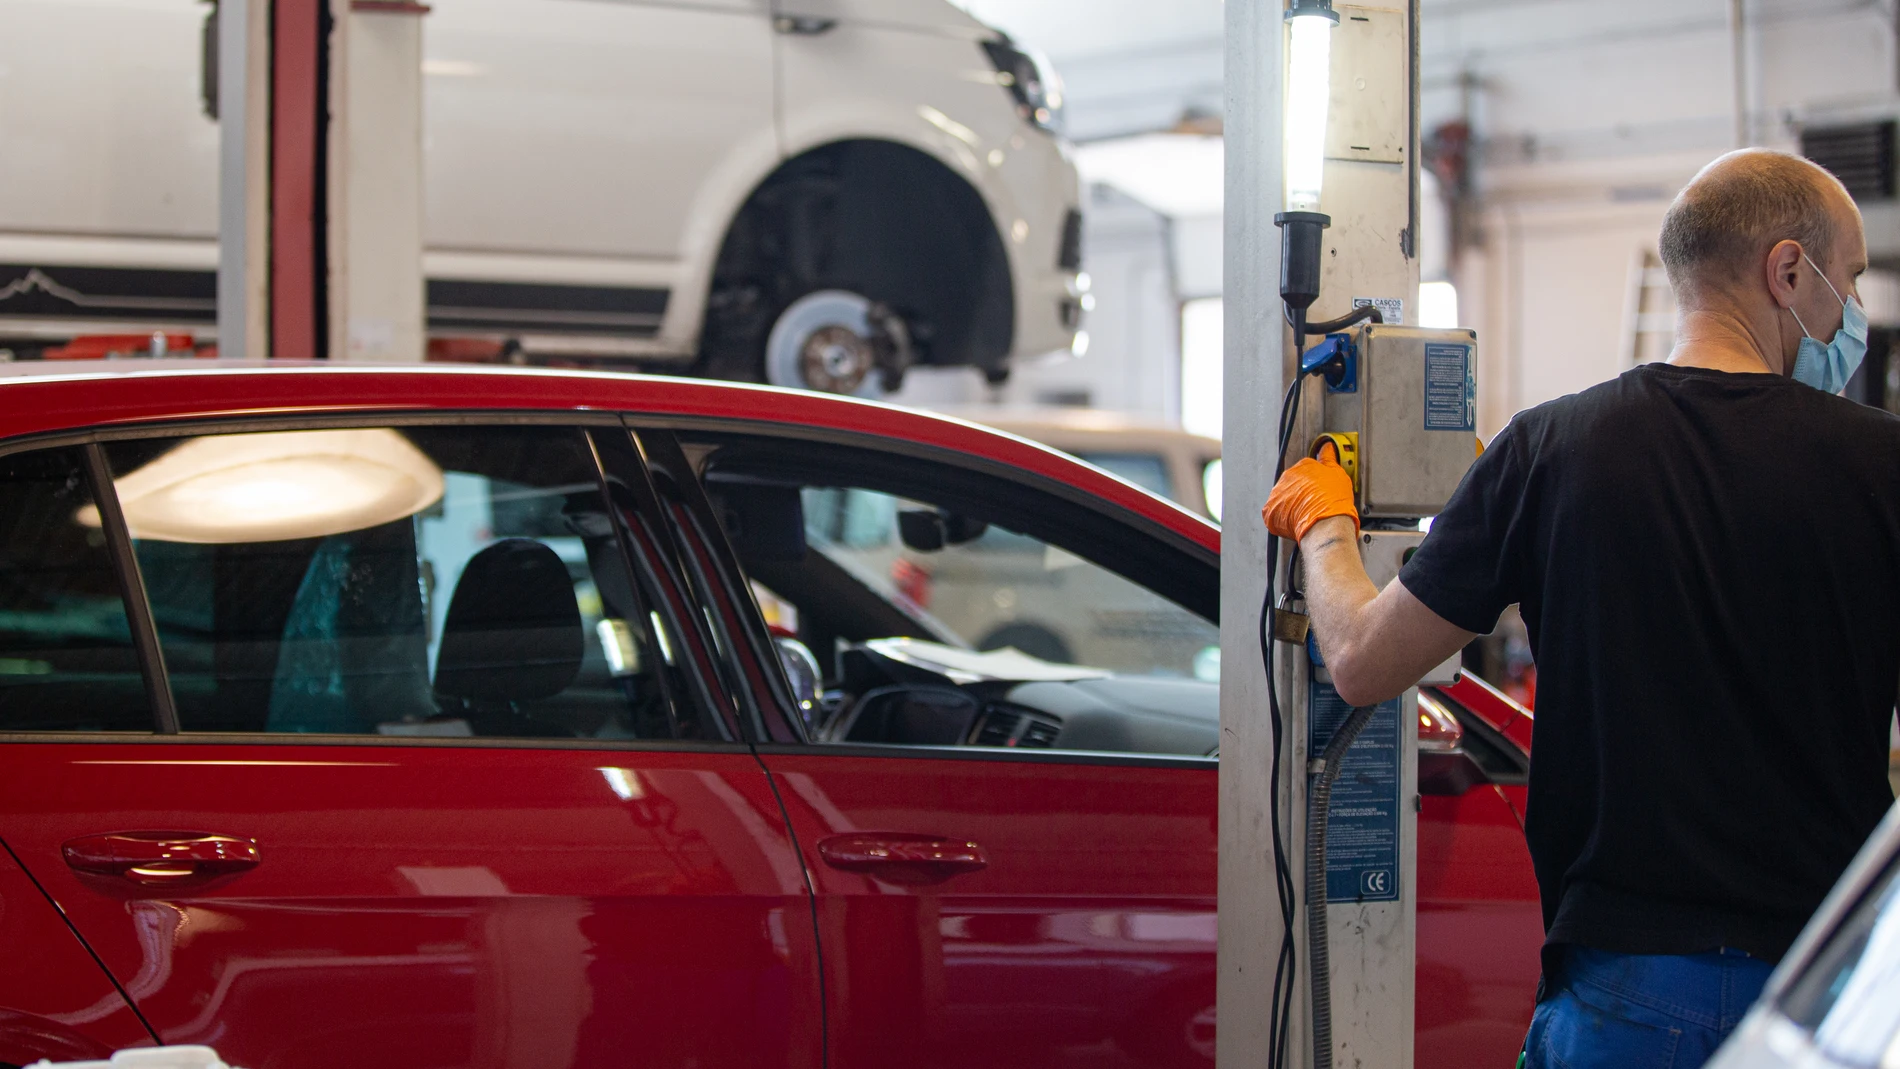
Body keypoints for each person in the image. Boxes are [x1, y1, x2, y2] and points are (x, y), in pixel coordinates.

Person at [1262, 148, 1900, 1069]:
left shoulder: (1551, 450)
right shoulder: (1884, 467)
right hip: (1819, 1000)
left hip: (1624, 999)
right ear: (1788, 271)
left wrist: (1324, 525)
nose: (1855, 315)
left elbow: (1360, 658)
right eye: (1850, 280)